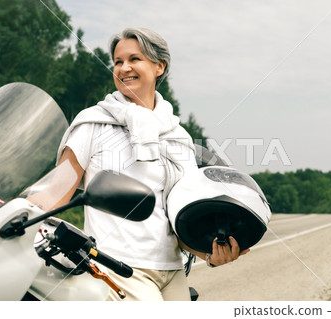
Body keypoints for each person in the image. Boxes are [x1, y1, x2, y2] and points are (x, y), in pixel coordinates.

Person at [54, 27, 249, 301]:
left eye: (134, 59)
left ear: (159, 67)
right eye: (118, 62)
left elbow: (179, 216)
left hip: (171, 269)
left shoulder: (177, 135)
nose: (124, 68)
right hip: (116, 265)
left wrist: (210, 254)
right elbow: (55, 191)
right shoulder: (93, 123)